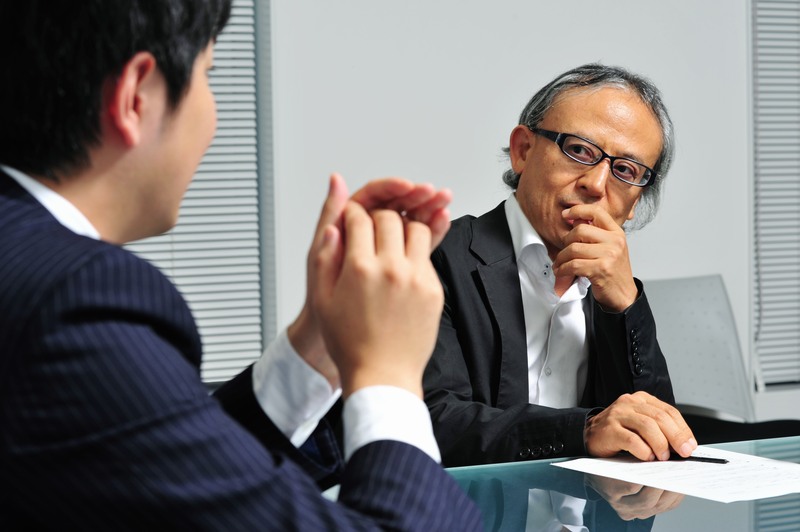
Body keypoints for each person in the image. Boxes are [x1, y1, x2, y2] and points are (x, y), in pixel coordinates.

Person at [0, 2, 481, 530]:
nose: (214, 116)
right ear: (136, 96)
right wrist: (388, 374)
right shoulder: (74, 304)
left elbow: (170, 466)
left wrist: (317, 346)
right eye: (208, 74)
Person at [423, 63, 697, 467]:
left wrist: (625, 304)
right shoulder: (433, 258)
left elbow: (656, 437)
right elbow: (429, 422)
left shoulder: (614, 290)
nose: (596, 185)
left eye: (625, 170)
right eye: (580, 150)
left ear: (634, 203)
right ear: (523, 151)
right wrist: (581, 431)